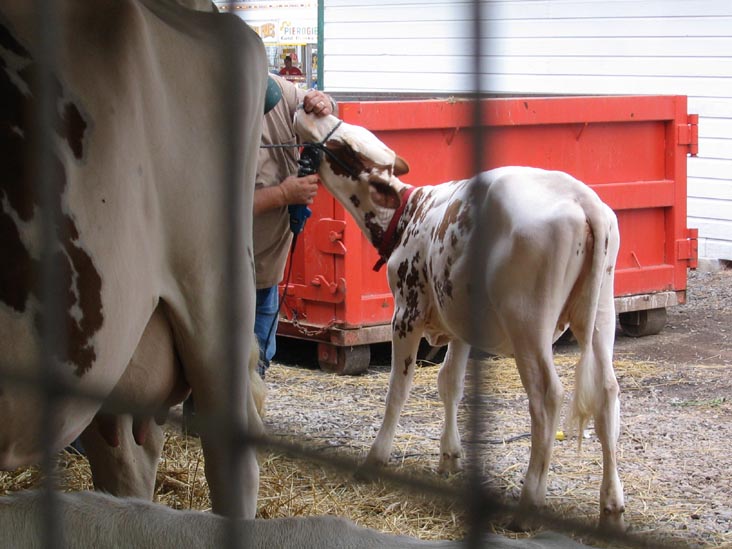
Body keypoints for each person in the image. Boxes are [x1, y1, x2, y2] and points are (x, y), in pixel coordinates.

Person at [254, 74, 336, 377]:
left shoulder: (277, 91)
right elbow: (217, 204)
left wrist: (324, 102)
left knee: (259, 355)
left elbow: (323, 108)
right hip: (224, 272)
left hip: (267, 267)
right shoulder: (210, 116)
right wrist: (283, 194)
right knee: (221, 361)